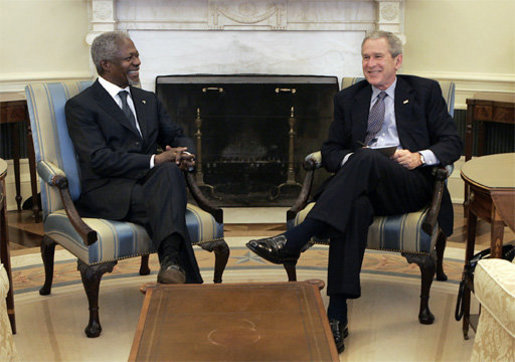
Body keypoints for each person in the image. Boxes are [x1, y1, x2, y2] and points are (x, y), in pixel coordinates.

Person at [246, 31, 462, 353]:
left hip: (407, 183)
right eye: (365, 57)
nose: (370, 64)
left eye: (378, 57)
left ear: (397, 61)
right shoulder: (349, 98)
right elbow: (331, 150)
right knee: (356, 205)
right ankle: (337, 315)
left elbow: (452, 143)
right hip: (359, 185)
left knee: (366, 159)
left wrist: (420, 157)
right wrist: (356, 161)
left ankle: (297, 237)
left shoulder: (424, 91)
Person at [65, 31, 202, 285]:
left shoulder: (147, 99)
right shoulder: (82, 106)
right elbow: (98, 159)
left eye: (137, 55)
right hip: (109, 190)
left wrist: (185, 154)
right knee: (168, 194)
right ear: (105, 64)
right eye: (129, 58)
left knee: (170, 174)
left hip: (154, 184)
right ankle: (183, 279)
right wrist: (156, 160)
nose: (138, 62)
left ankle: (172, 266)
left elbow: (176, 135)